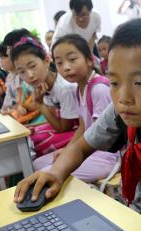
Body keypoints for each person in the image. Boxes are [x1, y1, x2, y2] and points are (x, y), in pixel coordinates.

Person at [14, 18, 141, 221]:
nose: (123, 98)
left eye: (139, 82)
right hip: (130, 210)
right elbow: (80, 148)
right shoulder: (119, 113)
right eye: (114, 82)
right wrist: (57, 174)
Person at [32, 34, 118, 183]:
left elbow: (102, 136)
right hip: (89, 150)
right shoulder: (78, 90)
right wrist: (68, 150)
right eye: (59, 63)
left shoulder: (99, 89)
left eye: (72, 60)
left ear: (90, 60)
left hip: (106, 156)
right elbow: (83, 128)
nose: (66, 67)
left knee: (47, 174)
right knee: (38, 163)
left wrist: (71, 155)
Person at [11, 37, 78, 156]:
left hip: (79, 132)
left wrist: (40, 105)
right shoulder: (41, 84)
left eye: (32, 66)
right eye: (22, 72)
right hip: (66, 128)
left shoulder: (64, 89)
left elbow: (63, 128)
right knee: (30, 136)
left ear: (46, 60)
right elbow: (54, 121)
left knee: (34, 144)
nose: (29, 75)